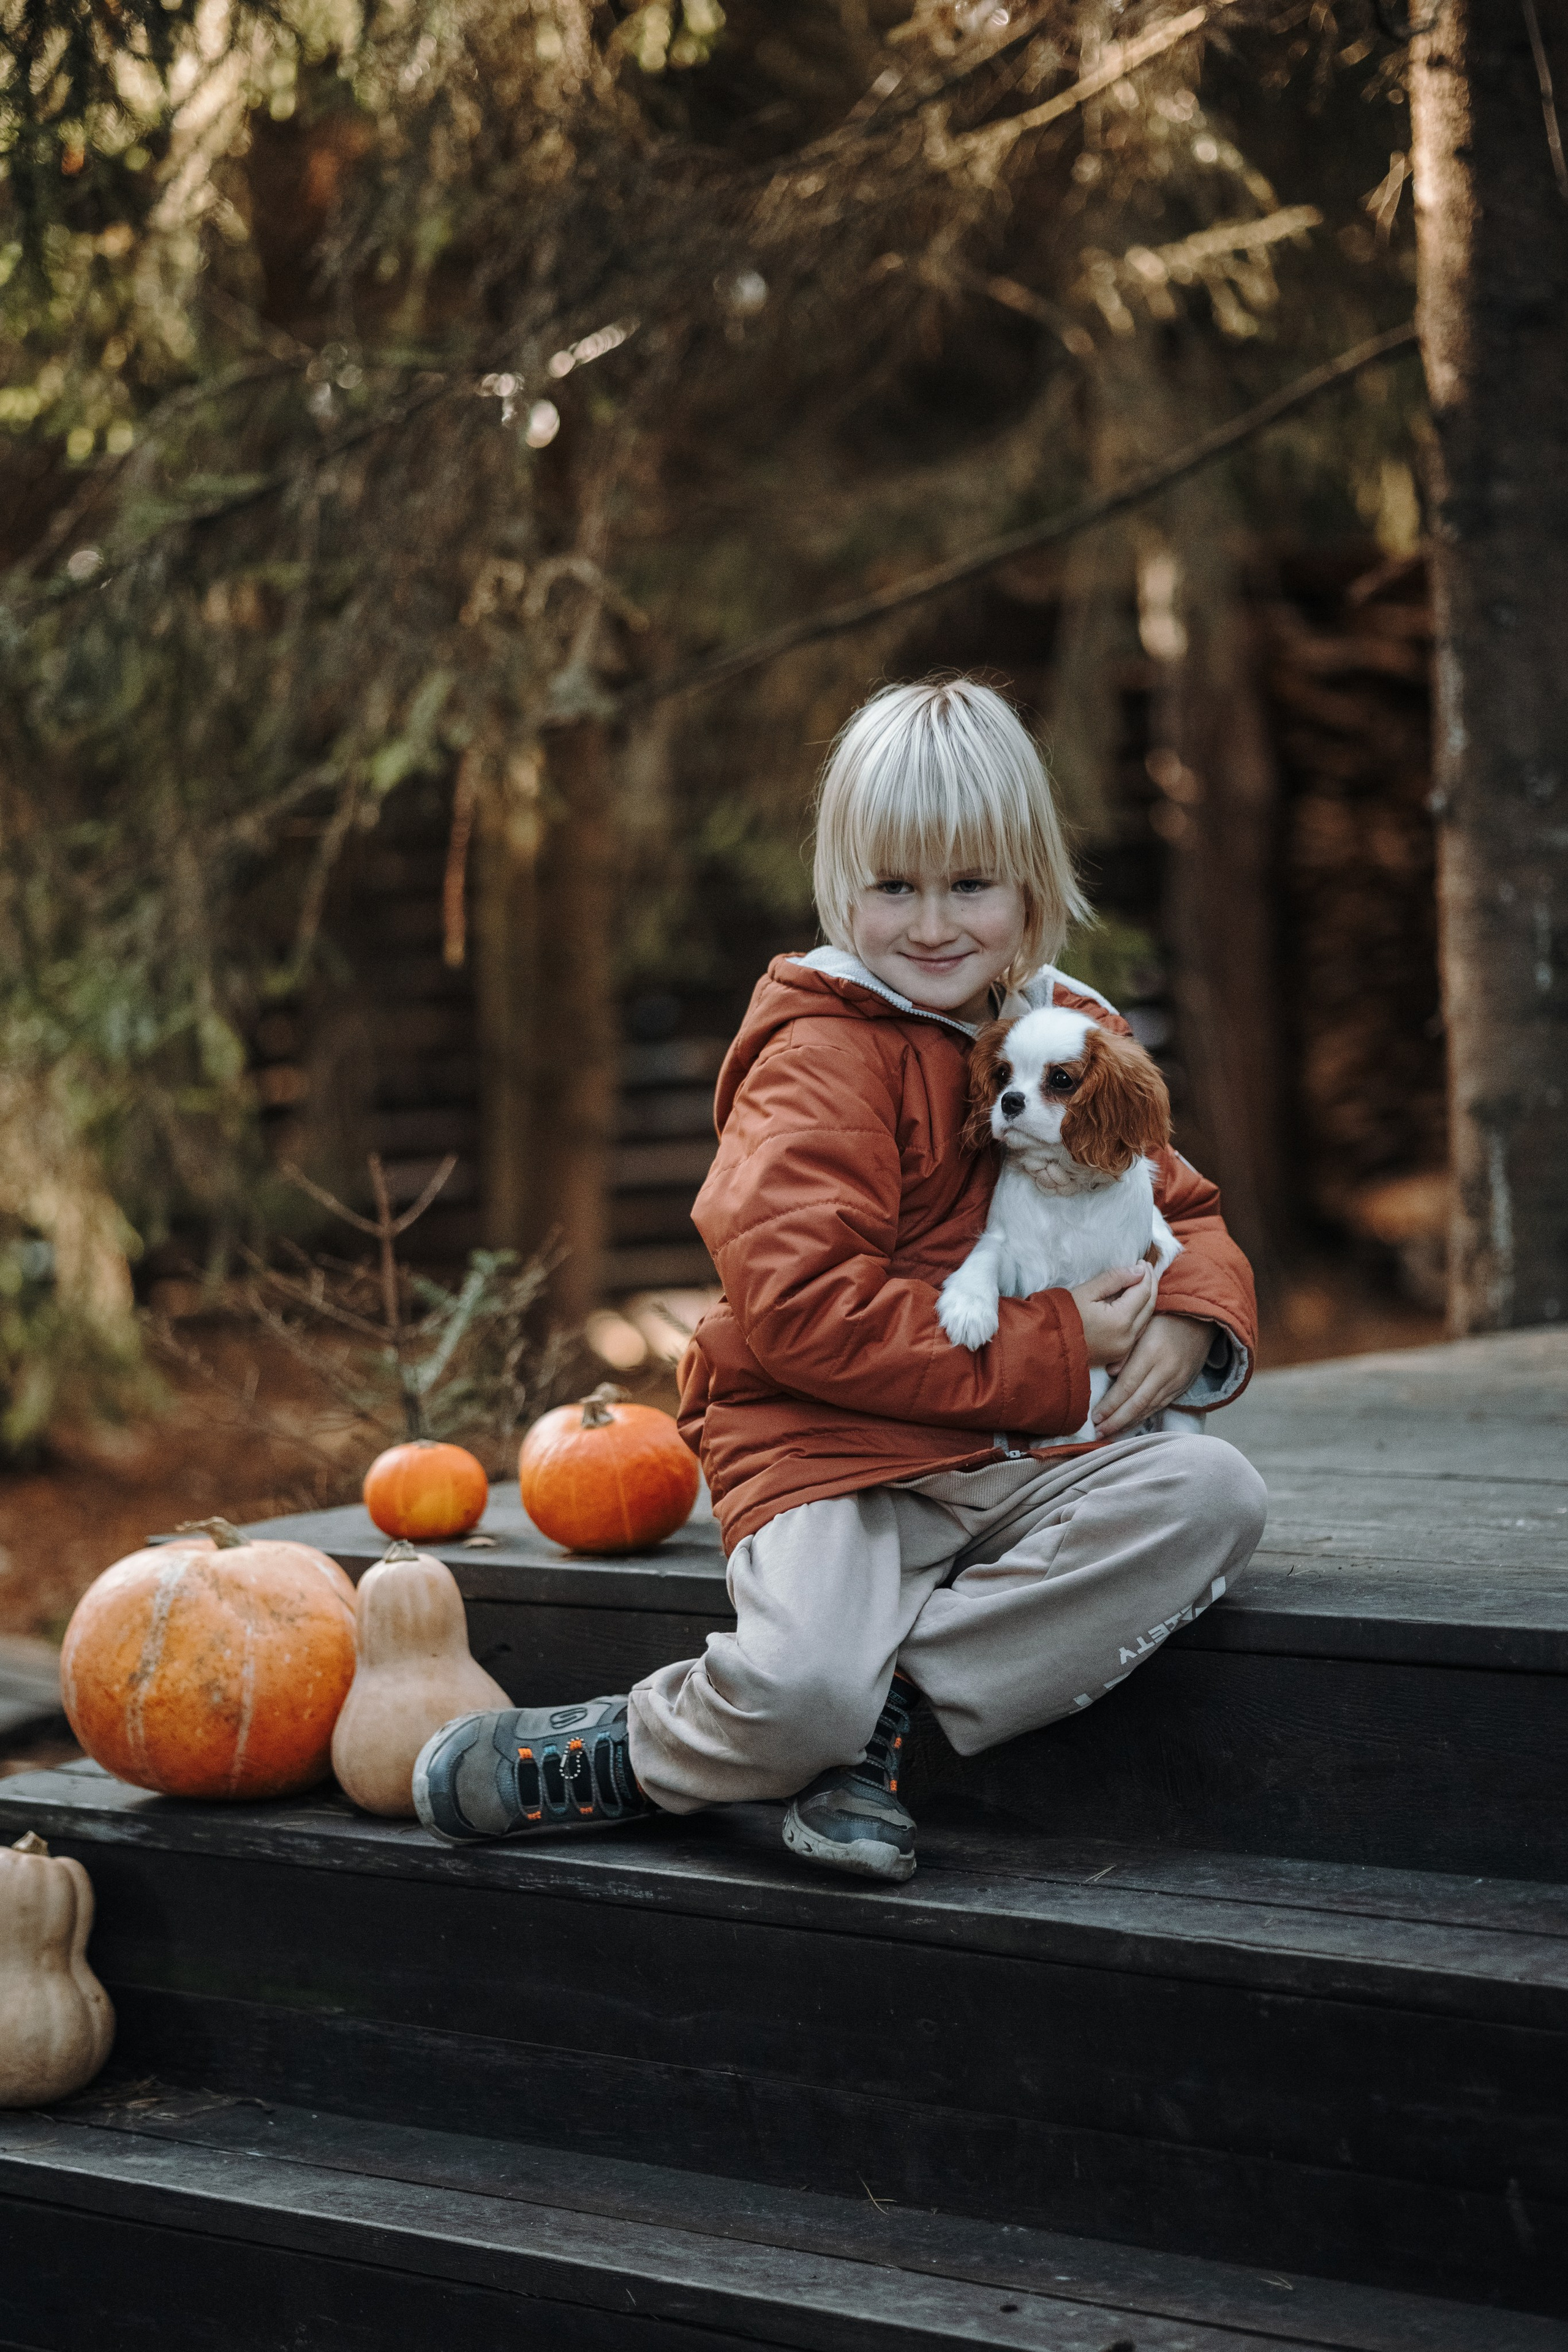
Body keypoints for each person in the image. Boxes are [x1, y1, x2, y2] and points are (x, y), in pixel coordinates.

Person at [415, 677, 1266, 1879]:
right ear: (842, 887)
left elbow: (1180, 1205)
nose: (929, 925)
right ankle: (630, 1752)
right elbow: (801, 1309)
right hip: (835, 1446)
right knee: (801, 1681)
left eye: (967, 885)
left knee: (1210, 1496)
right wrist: (1054, 1340)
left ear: (1027, 887)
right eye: (893, 887)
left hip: (1022, 1450)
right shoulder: (818, 1060)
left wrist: (1190, 1312)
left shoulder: (1068, 1032)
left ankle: (888, 1718)